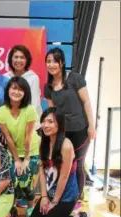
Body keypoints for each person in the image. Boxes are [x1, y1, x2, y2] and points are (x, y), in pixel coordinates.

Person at [44, 47, 96, 208]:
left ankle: (77, 201)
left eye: (54, 61)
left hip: (81, 130)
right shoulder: (48, 87)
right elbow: (52, 113)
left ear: (62, 62)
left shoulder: (75, 78)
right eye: (48, 61)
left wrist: (91, 126)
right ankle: (64, 198)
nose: (51, 64)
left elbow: (86, 102)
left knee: (78, 164)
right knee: (64, 166)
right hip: (63, 134)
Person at [27, 107, 88, 217]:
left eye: (50, 122)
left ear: (59, 125)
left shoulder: (66, 146)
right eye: (44, 121)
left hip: (66, 197)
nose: (45, 125)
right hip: (50, 194)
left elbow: (64, 177)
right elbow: (42, 171)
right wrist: (44, 197)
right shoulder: (43, 141)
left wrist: (54, 203)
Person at [0, 76, 40, 217]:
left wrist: (26, 159)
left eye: (20, 89)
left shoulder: (30, 110)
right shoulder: (1, 112)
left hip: (30, 150)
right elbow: (7, 138)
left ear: (25, 93)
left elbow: (28, 137)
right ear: (8, 90)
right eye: (14, 88)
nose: (16, 92)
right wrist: (16, 160)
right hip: (13, 151)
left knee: (26, 183)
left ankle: (30, 207)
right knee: (13, 182)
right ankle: (12, 210)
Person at [5, 45, 42, 124]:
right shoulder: (6, 77)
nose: (18, 60)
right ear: (11, 59)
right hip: (11, 124)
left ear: (27, 60)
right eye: (16, 57)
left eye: (22, 57)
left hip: (30, 124)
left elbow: (34, 105)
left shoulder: (33, 78)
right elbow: (5, 103)